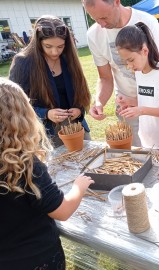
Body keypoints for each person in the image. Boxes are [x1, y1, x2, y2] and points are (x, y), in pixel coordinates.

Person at [0, 78, 94, 269]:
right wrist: (78, 187)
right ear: (22, 117)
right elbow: (63, 211)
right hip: (39, 259)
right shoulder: (24, 164)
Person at [82, 0, 159, 147]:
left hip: (154, 105)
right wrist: (99, 102)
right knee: (136, 154)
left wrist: (140, 102)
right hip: (126, 108)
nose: (101, 24)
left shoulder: (147, 21)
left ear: (116, 2)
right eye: (95, 19)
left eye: (104, 17)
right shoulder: (94, 34)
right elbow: (105, 77)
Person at [9, 15, 91, 147]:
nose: (55, 52)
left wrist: (79, 110)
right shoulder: (23, 62)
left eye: (60, 46)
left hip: (76, 127)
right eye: (48, 46)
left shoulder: (68, 58)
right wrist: (46, 113)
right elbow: (14, 105)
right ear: (38, 42)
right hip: (45, 132)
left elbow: (81, 93)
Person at [115, 22, 159, 152]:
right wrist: (130, 102)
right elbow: (149, 101)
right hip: (146, 142)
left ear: (144, 51)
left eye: (131, 60)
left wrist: (142, 110)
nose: (129, 66)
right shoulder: (139, 73)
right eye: (126, 62)